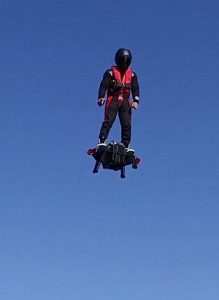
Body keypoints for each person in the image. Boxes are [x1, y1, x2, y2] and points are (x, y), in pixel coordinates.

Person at [97, 48, 140, 148]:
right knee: (108, 120)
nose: (124, 63)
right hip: (113, 98)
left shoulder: (132, 75)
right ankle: (102, 139)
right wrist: (101, 97)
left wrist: (136, 100)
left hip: (125, 100)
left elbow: (135, 87)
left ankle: (125, 143)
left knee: (126, 123)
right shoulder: (110, 73)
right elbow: (104, 85)